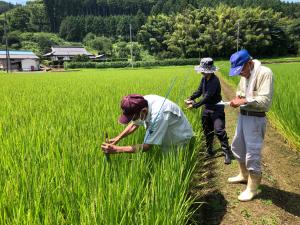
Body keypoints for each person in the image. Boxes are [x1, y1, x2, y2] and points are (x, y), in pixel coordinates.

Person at [227, 49, 274, 201]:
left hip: (255, 118)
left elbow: (265, 101)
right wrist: (238, 98)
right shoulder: (244, 75)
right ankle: (243, 174)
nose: (240, 74)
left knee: (252, 153)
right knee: (237, 146)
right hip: (243, 116)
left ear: (249, 63)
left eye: (241, 70)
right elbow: (240, 91)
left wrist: (244, 100)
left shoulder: (265, 73)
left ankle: (253, 188)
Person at [101, 94, 194, 153]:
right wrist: (118, 137)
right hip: (166, 134)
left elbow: (146, 146)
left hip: (179, 138)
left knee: (176, 166)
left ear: (144, 111)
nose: (132, 120)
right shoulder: (140, 102)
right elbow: (135, 123)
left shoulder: (158, 115)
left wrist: (117, 149)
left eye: (133, 117)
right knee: (166, 160)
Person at [185, 58, 232, 164]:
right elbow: (199, 91)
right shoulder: (204, 79)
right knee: (207, 130)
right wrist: (191, 98)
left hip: (216, 108)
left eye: (203, 70)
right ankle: (209, 150)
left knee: (219, 130)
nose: (201, 72)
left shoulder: (215, 81)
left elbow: (207, 96)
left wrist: (195, 105)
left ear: (209, 70)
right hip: (207, 108)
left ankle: (226, 152)